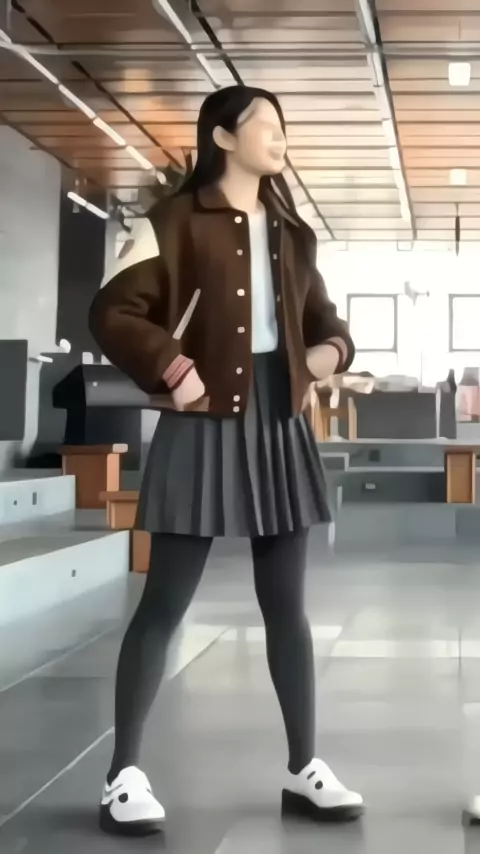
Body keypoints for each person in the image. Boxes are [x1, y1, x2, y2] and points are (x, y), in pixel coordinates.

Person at [89, 85, 362, 837]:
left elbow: (329, 323)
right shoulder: (171, 221)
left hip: (279, 424)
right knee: (164, 604)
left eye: (282, 126)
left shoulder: (293, 233)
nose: (279, 137)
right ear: (221, 137)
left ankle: (304, 766)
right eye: (265, 125)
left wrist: (323, 357)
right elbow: (113, 310)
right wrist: (171, 368)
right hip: (201, 419)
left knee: (288, 609)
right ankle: (123, 775)